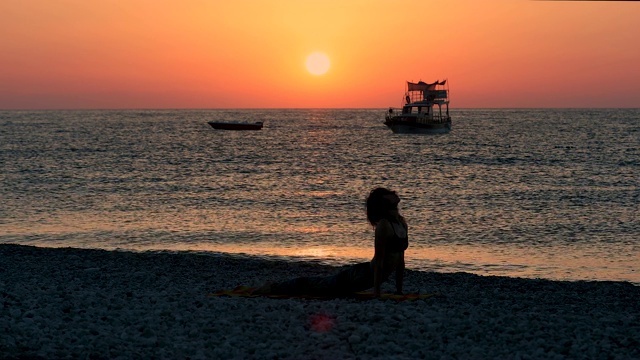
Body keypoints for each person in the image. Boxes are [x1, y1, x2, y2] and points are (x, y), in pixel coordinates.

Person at [254, 187, 408, 297]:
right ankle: (272, 288)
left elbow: (400, 260)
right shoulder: (384, 226)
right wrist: (376, 294)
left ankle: (275, 286)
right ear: (383, 203)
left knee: (321, 284)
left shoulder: (401, 223)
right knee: (317, 285)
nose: (392, 193)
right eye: (387, 194)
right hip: (360, 276)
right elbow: (380, 262)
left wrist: (399, 290)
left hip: (365, 277)